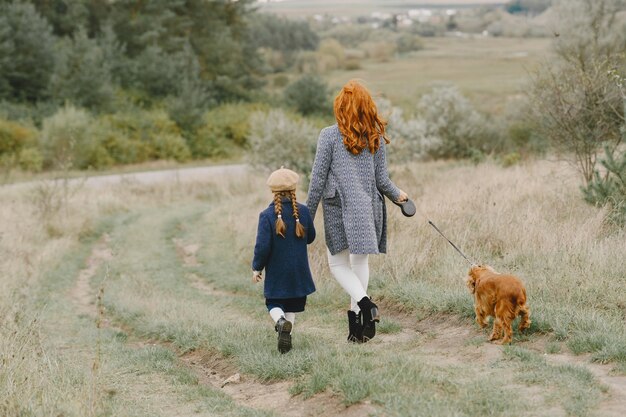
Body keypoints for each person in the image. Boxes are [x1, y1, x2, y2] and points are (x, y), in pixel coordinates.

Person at [307, 79, 409, 343]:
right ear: (367, 107)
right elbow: (382, 180)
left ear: (341, 107)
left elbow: (317, 180)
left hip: (339, 208)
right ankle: (357, 330)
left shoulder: (328, 135)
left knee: (337, 264)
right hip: (369, 207)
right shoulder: (374, 137)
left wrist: (306, 216)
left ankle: (365, 305)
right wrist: (399, 195)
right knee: (359, 263)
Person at [252, 167, 316, 354]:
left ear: (273, 190)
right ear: (294, 188)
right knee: (292, 305)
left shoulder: (266, 215)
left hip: (277, 271)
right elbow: (310, 237)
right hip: (299, 271)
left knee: (273, 303)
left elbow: (262, 247)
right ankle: (286, 339)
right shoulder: (303, 212)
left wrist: (257, 268)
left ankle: (280, 322)